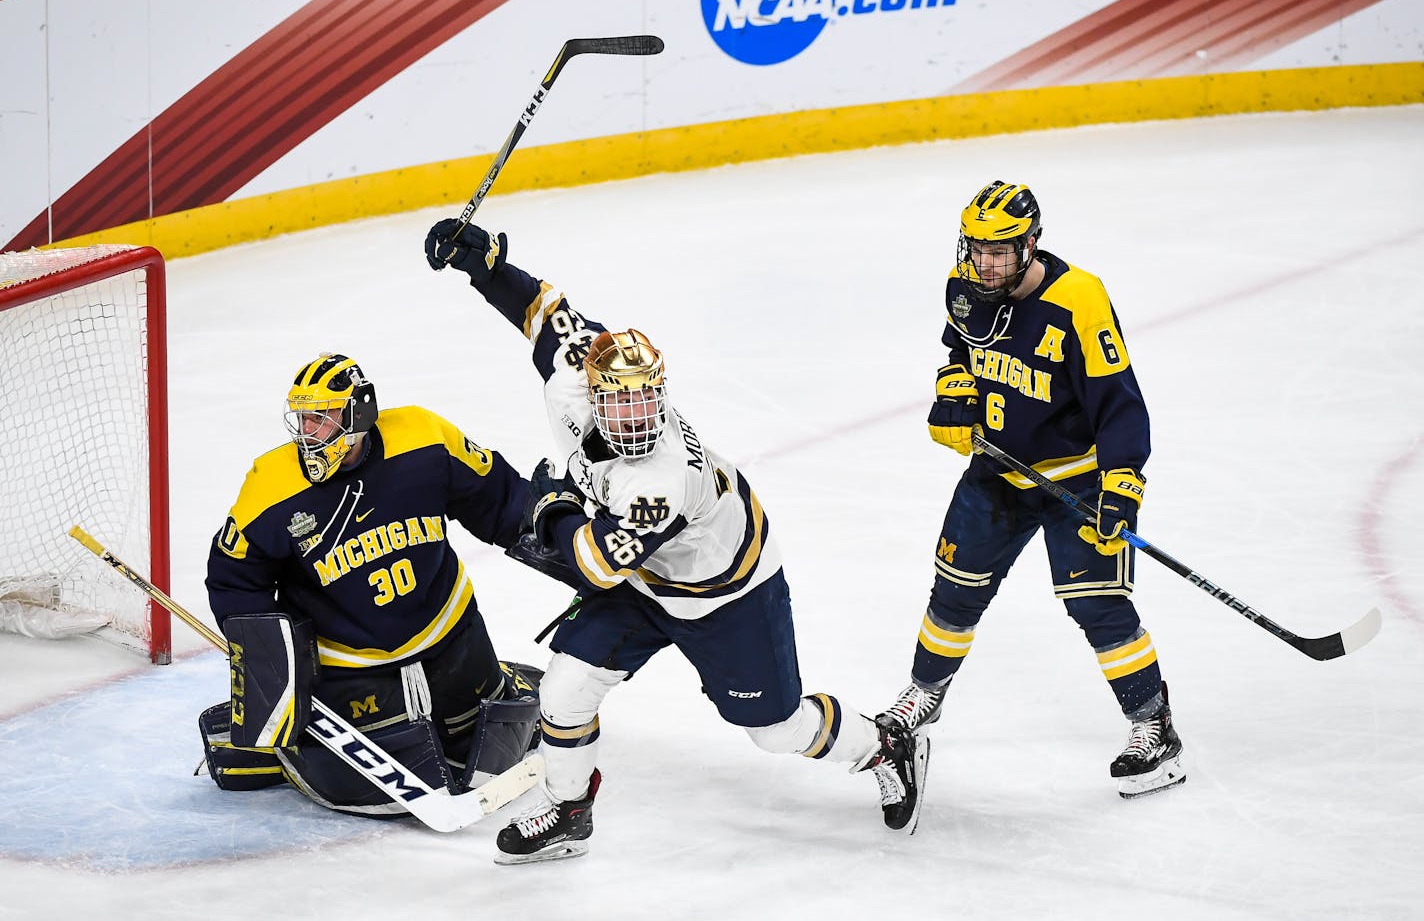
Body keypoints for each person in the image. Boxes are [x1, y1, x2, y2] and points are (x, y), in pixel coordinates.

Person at [425, 218, 930, 864]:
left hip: (729, 591)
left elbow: (594, 562)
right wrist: (484, 266)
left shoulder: (662, 479)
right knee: (563, 689)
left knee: (775, 730)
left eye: (647, 402)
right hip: (646, 582)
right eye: (623, 404)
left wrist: (552, 507)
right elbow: (542, 311)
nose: (638, 418)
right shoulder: (573, 379)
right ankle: (570, 808)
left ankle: (883, 743)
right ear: (596, 392)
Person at [876, 180, 1185, 799]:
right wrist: (954, 401)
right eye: (977, 249)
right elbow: (958, 355)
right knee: (954, 593)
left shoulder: (1079, 298)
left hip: (1078, 478)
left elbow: (1119, 400)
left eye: (1001, 250)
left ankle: (1154, 727)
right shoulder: (963, 287)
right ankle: (925, 696)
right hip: (998, 473)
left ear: (1030, 245)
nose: (985, 263)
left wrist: (1121, 486)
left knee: (1096, 603)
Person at [198, 353, 543, 818]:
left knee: (493, 747)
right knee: (373, 786)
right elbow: (233, 579)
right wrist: (269, 660)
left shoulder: (423, 437)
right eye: (303, 419)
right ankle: (276, 745)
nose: (309, 433)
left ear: (358, 414)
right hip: (350, 664)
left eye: (322, 418)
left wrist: (562, 536)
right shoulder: (271, 486)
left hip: (451, 636)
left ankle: (492, 685)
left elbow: (499, 499)